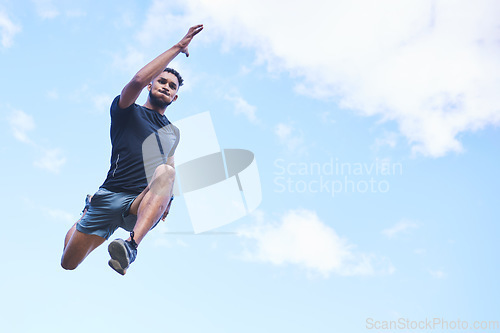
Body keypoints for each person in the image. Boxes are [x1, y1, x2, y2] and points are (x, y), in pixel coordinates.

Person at [61, 24, 204, 275]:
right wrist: (178, 47)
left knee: (168, 174)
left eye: (172, 86)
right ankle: (87, 209)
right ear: (151, 85)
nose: (167, 87)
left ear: (175, 97)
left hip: (139, 202)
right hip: (110, 194)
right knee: (68, 262)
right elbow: (137, 80)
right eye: (161, 81)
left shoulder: (173, 132)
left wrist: (168, 201)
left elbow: (168, 168)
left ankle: (131, 247)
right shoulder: (127, 111)